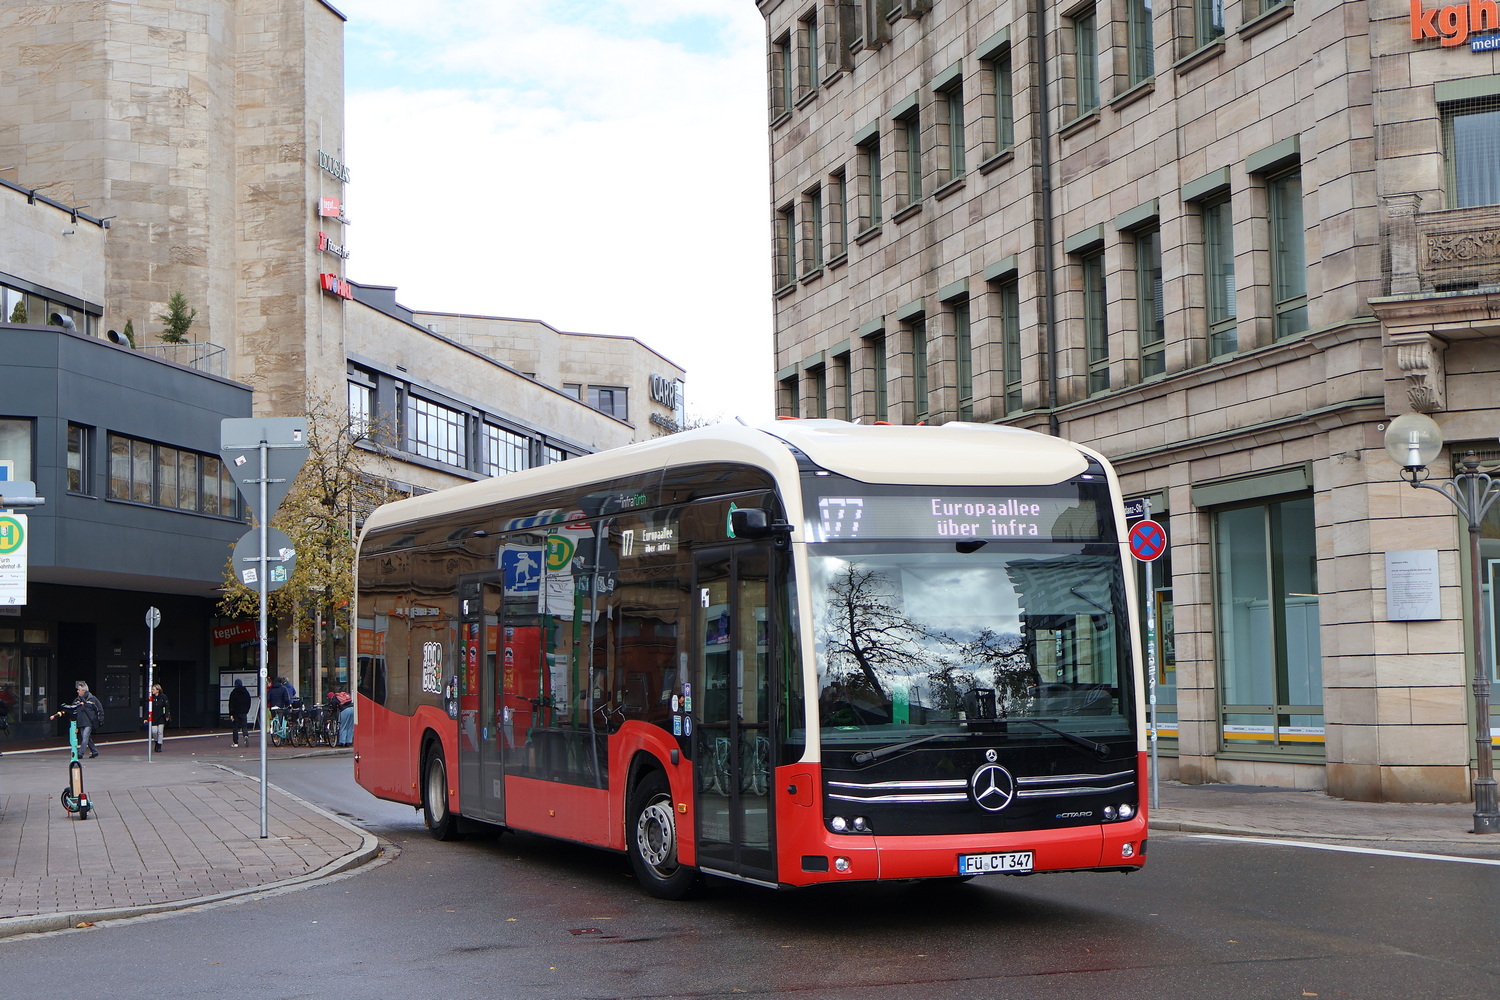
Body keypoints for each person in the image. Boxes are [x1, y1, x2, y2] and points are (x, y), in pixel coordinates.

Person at [51, 680, 105, 758]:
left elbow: (100, 709)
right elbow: (71, 709)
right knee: (86, 737)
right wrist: (59, 713)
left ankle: (80, 753)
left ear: (84, 691)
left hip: (89, 722)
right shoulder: (77, 700)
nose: (77, 691)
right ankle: (94, 751)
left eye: (79, 690)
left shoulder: (93, 699)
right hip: (81, 722)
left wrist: (100, 719)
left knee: (85, 737)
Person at [228, 678, 251, 747]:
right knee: (244, 725)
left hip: (236, 712)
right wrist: (246, 710)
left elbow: (231, 704)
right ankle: (246, 735)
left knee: (235, 727)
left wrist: (231, 714)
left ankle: (235, 743)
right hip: (244, 712)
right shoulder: (246, 692)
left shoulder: (233, 693)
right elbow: (248, 702)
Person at [149, 682, 170, 752]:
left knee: (160, 731)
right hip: (154, 716)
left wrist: (167, 715)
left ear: (158, 690)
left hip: (161, 716)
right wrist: (146, 717)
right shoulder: (151, 698)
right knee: (154, 731)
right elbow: (148, 708)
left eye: (154, 689)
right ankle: (156, 741)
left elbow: (166, 706)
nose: (152, 691)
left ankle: (159, 745)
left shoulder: (163, 697)